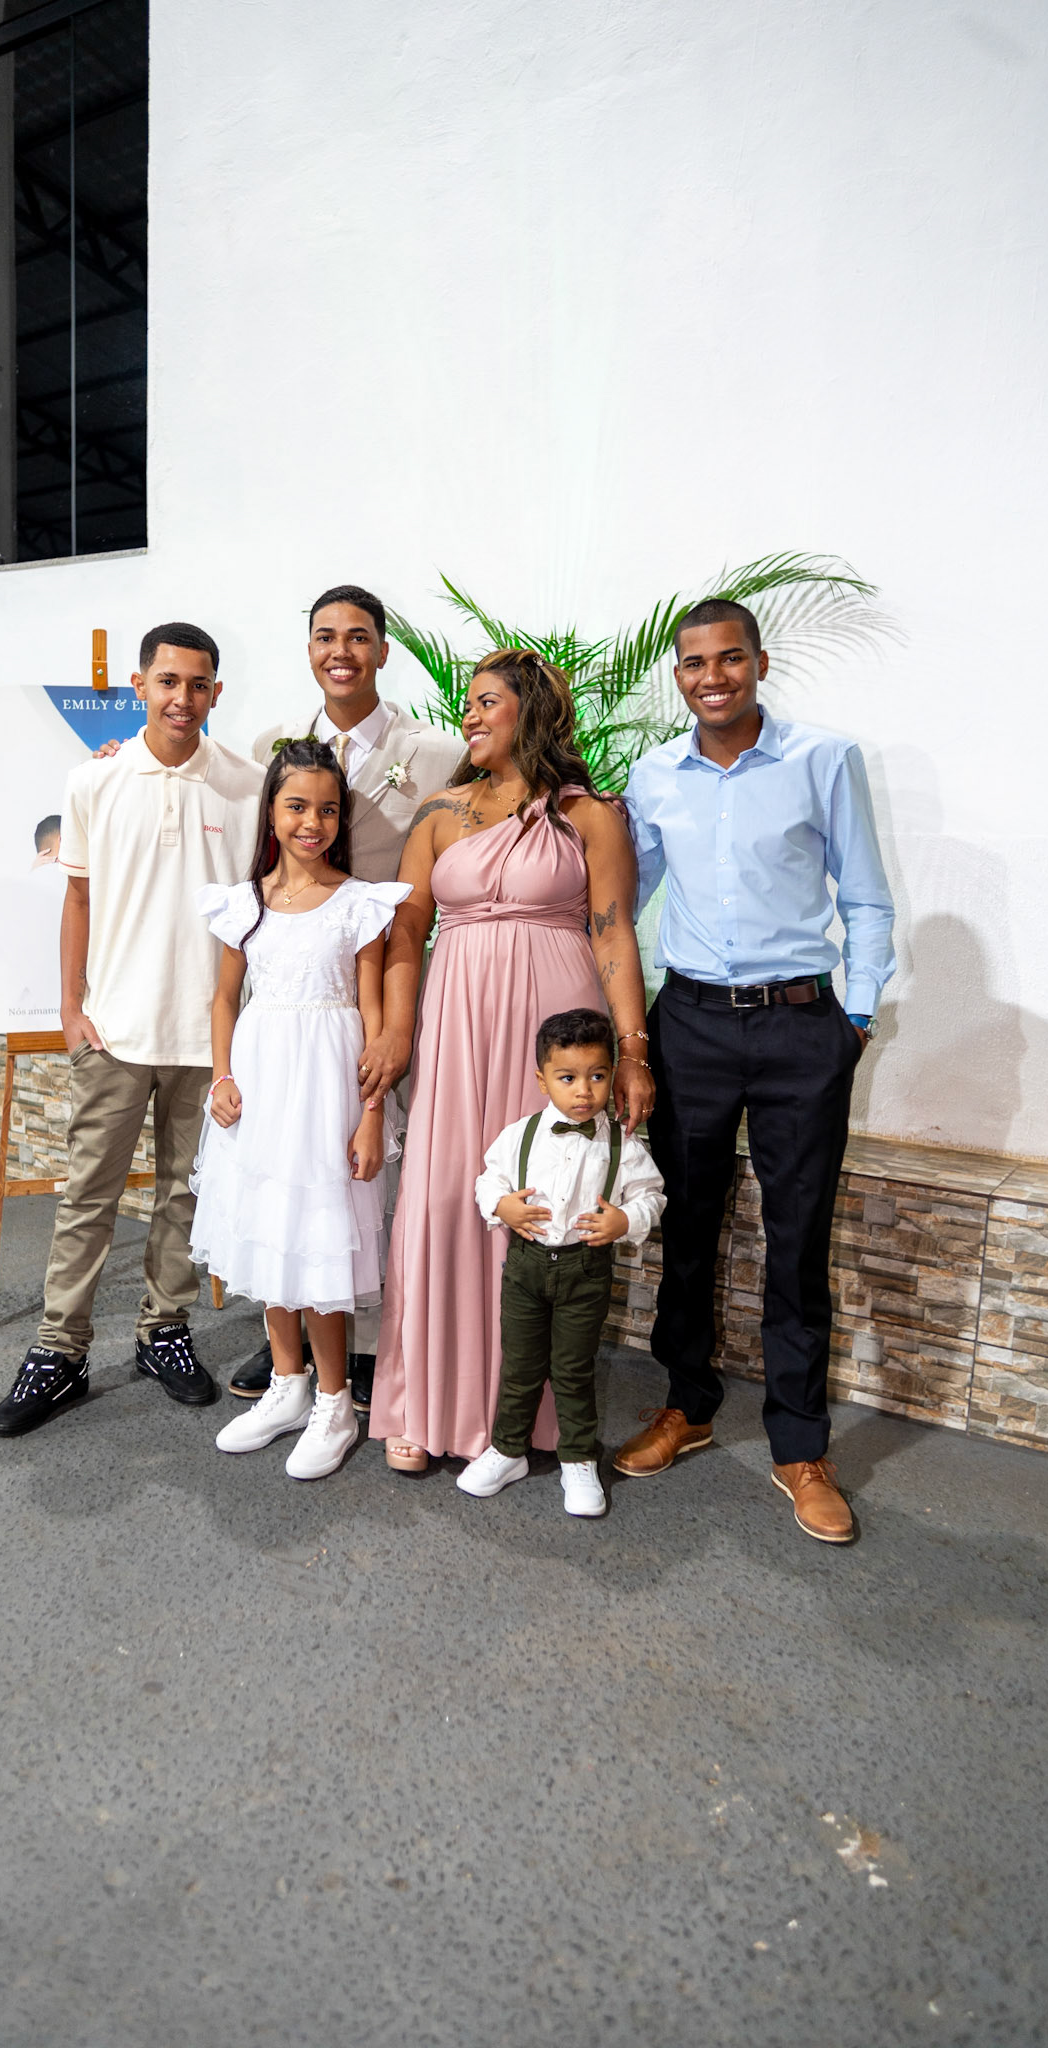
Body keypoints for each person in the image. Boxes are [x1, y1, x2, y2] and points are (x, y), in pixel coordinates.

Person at [616, 598, 895, 1543]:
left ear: (759, 663)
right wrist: (625, 1030)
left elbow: (866, 898)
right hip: (689, 1024)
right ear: (678, 676)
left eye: (729, 658)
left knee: (796, 1241)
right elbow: (625, 899)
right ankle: (686, 1406)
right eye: (694, 664)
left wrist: (855, 1017)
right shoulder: (653, 774)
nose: (712, 677)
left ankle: (800, 1448)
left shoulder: (823, 759)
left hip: (799, 1028)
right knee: (687, 1228)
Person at [363, 648, 657, 1472]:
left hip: (551, 1024)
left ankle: (521, 1417)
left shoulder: (588, 814)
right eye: (467, 702)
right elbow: (405, 934)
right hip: (456, 1024)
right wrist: (395, 1032)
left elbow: (612, 934)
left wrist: (631, 1051)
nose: (468, 715)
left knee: (543, 1198)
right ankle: (424, 1401)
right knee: (444, 1195)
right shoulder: (438, 813)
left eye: (486, 701)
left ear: (532, 710)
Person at [0, 623, 264, 1438]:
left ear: (216, 693)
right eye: (168, 681)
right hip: (112, 1030)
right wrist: (71, 1010)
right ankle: (59, 1351)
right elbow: (76, 899)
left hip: (207, 1033)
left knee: (184, 1194)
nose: (183, 698)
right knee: (87, 1198)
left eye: (199, 684)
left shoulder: (248, 787)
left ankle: (163, 1331)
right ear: (139, 686)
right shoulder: (93, 780)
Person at [229, 583, 463, 1410]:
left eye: (357, 637)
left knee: (370, 1165)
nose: (341, 651)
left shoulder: (435, 753)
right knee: (294, 1166)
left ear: (382, 650)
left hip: (380, 982)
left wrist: (395, 1026)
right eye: (325, 636)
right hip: (297, 984)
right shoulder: (270, 744)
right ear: (308, 650)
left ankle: (369, 1346)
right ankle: (295, 1341)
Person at [190, 740, 410, 1479]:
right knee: (267, 1234)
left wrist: (371, 1113)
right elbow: (225, 999)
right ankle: (287, 1386)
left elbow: (374, 1019)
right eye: (296, 806)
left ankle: (334, 1402)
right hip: (260, 1087)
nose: (312, 822)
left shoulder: (359, 904)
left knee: (317, 1240)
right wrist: (221, 1076)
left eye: (327, 809)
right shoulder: (244, 903)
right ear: (271, 812)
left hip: (326, 1093)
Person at [458, 1009, 666, 1517]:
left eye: (597, 1076)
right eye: (567, 1078)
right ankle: (508, 1450)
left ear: (611, 1074)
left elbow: (652, 1195)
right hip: (524, 1270)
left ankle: (578, 1457)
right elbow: (488, 1179)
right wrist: (501, 1205)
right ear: (542, 1080)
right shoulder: (520, 1134)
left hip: (584, 1272)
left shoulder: (623, 1144)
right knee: (520, 1367)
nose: (584, 1091)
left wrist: (626, 1220)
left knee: (573, 1371)